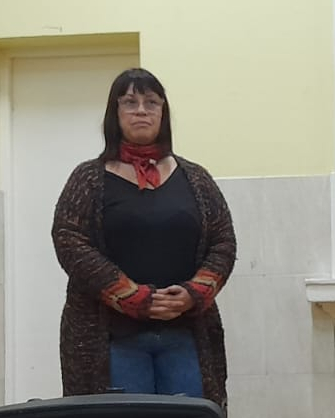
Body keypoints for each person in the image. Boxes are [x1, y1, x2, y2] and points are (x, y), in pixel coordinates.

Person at [51, 68, 236, 411]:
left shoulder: (195, 178)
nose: (141, 110)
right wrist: (131, 296)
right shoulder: (87, 178)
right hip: (111, 339)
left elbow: (223, 241)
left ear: (163, 112)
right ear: (115, 112)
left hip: (186, 337)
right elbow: (69, 240)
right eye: (130, 102)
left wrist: (194, 293)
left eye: (151, 102)